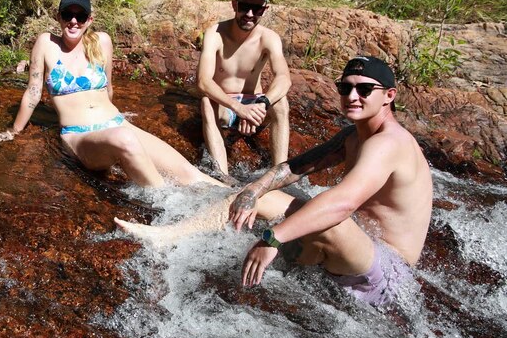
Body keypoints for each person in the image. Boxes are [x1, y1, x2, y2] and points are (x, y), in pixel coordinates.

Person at [117, 56, 433, 307]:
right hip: (359, 250)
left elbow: (342, 203)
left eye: (364, 90)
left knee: (329, 220)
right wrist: (254, 188)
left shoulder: (389, 143)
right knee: (259, 197)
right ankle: (169, 236)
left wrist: (273, 238)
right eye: (345, 87)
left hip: (388, 272)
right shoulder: (354, 135)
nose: (352, 96)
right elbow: (297, 167)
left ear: (389, 96)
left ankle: (277, 262)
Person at [0, 0, 229, 189]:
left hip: (116, 124)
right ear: (59, 17)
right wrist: (13, 131)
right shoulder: (46, 43)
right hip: (79, 135)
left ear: (89, 20)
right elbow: (34, 93)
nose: (73, 21)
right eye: (68, 15)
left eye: (80, 16)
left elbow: (109, 89)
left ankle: (237, 204)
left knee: (194, 176)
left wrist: (120, 118)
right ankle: (169, 202)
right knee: (124, 138)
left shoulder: (102, 42)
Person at [197, 0, 290, 178]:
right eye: (244, 6)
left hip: (256, 105)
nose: (249, 14)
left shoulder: (269, 38)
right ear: (234, 4)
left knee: (281, 102)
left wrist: (262, 104)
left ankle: (279, 175)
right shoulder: (215, 34)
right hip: (226, 105)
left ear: (265, 10)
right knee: (206, 102)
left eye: (256, 9)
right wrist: (239, 108)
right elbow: (203, 82)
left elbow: (284, 77)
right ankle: (223, 176)